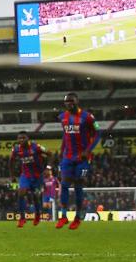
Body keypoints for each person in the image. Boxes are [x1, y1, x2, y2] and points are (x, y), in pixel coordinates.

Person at [56, 92, 98, 230]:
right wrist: (61, 152)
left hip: (82, 158)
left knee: (78, 185)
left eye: (71, 101)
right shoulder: (62, 117)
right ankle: (63, 216)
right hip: (67, 157)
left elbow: (98, 134)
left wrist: (88, 150)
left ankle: (77, 217)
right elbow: (65, 135)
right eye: (67, 101)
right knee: (64, 184)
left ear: (77, 101)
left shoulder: (87, 117)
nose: (69, 103)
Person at [9, 131, 48, 228]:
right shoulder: (16, 149)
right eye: (19, 138)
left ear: (28, 138)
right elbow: (11, 161)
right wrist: (12, 175)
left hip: (38, 176)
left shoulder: (36, 146)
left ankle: (37, 215)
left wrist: (46, 168)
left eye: (23, 138)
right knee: (21, 193)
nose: (21, 140)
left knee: (36, 196)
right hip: (25, 175)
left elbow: (49, 153)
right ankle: (22, 218)